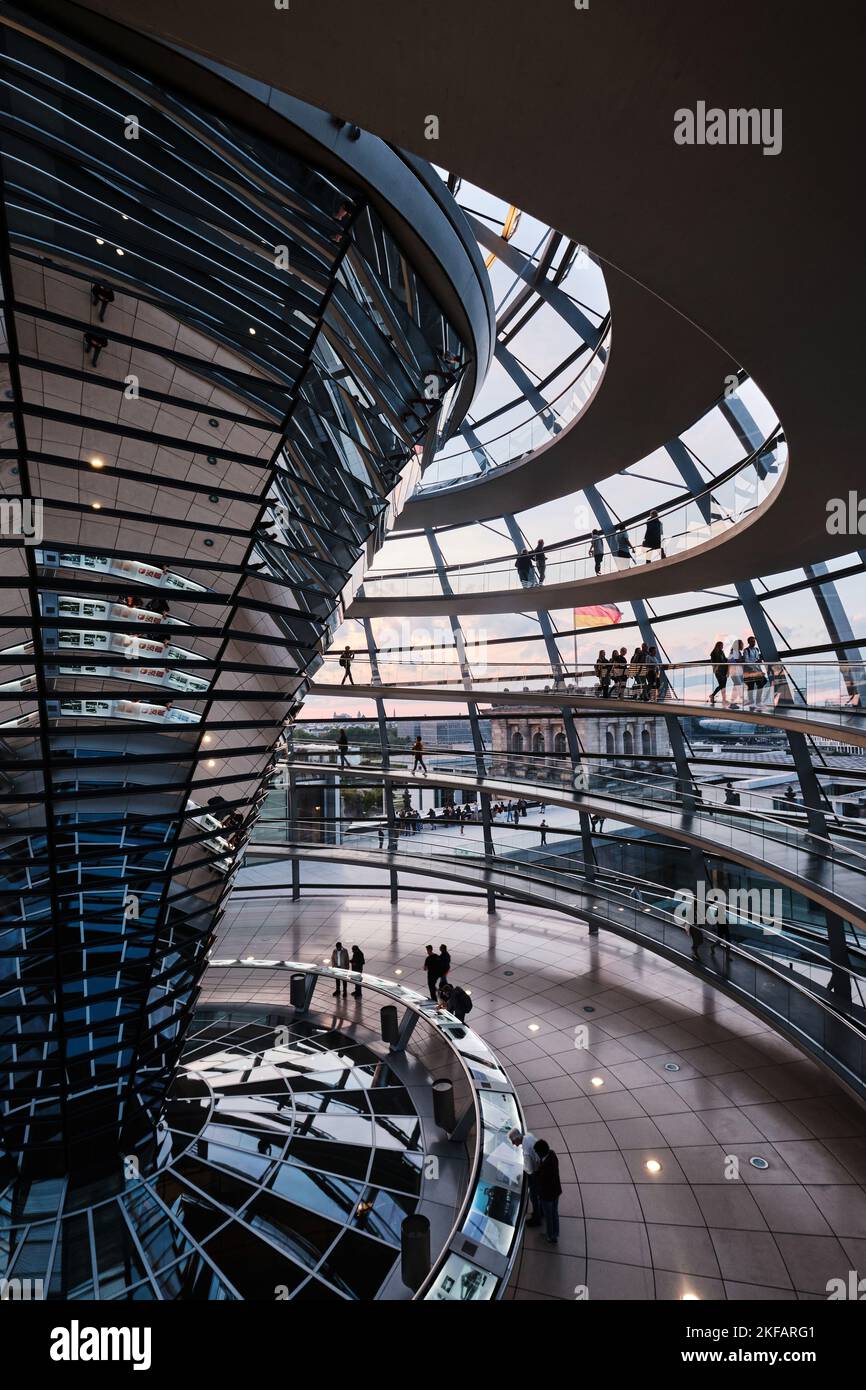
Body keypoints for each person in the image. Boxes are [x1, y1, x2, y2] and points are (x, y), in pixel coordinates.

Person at [509, 1128, 542, 1226]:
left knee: (533, 1195)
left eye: (513, 1141)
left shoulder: (526, 1151)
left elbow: (529, 1170)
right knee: (539, 1193)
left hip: (535, 1174)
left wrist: (519, 1172)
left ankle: (537, 1218)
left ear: (517, 1139)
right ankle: (541, 1211)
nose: (513, 1144)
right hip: (540, 1167)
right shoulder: (529, 1136)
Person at [533, 1139, 562, 1244]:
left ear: (541, 1152)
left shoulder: (546, 1166)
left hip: (547, 1195)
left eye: (537, 1152)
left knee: (549, 1216)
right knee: (554, 1213)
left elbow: (542, 1181)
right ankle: (555, 1233)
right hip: (556, 1191)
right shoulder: (552, 1155)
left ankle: (550, 1236)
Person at [742, 635, 766, 707]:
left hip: (757, 670)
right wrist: (755, 662)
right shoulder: (746, 650)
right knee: (751, 686)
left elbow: (756, 659)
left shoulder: (756, 649)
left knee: (762, 682)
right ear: (748, 642)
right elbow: (746, 661)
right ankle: (754, 701)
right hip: (750, 671)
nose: (753, 642)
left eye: (754, 641)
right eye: (752, 641)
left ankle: (755, 701)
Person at [709, 640, 729, 706]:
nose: (722, 647)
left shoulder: (721, 652)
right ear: (718, 646)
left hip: (724, 670)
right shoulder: (713, 653)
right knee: (721, 685)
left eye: (722, 646)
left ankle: (723, 699)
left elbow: (725, 660)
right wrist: (716, 670)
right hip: (718, 671)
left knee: (723, 686)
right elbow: (713, 663)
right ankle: (713, 695)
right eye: (721, 646)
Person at [727, 638, 744, 706]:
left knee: (735, 687)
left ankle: (732, 702)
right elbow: (730, 661)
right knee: (739, 685)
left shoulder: (739, 652)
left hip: (739, 671)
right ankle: (742, 698)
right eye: (741, 644)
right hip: (734, 671)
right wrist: (739, 661)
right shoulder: (733, 651)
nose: (742, 646)